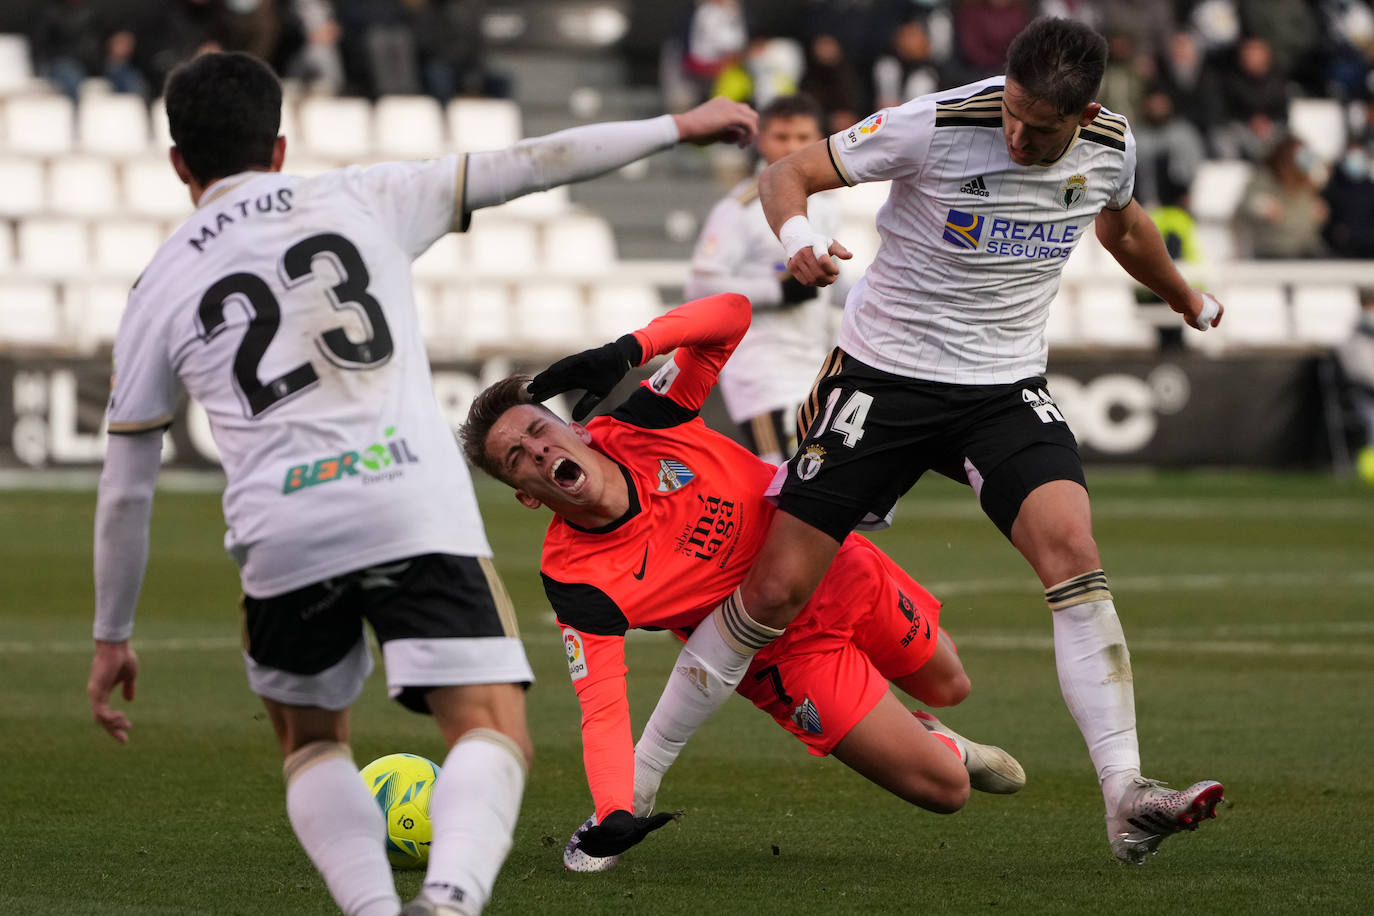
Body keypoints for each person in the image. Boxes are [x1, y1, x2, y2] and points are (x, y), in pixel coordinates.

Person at [525, 17, 1227, 867]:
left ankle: (1126, 794)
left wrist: (1183, 297)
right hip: (881, 380)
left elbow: (1122, 226)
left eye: (1038, 128)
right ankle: (635, 789)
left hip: (1003, 388)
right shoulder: (935, 124)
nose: (1014, 134)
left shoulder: (1112, 147)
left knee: (1074, 553)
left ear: (1086, 114)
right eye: (1009, 112)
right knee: (775, 593)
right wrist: (800, 241)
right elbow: (790, 172)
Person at [83, 50, 758, 916]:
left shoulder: (157, 286)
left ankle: (372, 909)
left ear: (178, 162)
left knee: (312, 744)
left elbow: (127, 485)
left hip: (281, 528)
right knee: (489, 725)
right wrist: (679, 126)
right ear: (280, 147)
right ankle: (448, 900)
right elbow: (534, 163)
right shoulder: (362, 197)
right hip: (409, 502)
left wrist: (112, 635)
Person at [460, 293, 1025, 867]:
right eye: (516, 458)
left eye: (538, 429)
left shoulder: (644, 422)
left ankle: (926, 720)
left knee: (950, 685)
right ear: (527, 496)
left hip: (837, 568)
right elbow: (601, 705)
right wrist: (614, 806)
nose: (537, 450)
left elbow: (731, 314)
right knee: (946, 789)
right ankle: (937, 743)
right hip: (783, 656)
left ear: (575, 430)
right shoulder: (577, 578)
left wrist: (630, 349)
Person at [685, 94, 841, 464]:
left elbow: (834, 286)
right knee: (780, 483)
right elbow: (700, 285)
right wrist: (777, 290)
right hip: (763, 371)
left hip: (813, 366)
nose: (792, 147)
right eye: (782, 137)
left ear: (820, 139)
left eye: (803, 138)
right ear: (762, 140)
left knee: (815, 488)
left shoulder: (824, 204)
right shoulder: (741, 207)